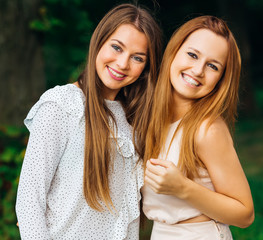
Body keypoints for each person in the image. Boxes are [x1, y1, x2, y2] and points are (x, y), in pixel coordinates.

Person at [15, 3, 162, 240]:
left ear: (146, 67)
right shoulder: (62, 105)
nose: (123, 63)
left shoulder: (135, 119)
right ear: (99, 42)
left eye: (137, 57)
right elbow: (30, 200)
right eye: (116, 47)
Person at [141, 16, 254, 239]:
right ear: (174, 51)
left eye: (213, 66)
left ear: (221, 79)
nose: (198, 70)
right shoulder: (149, 117)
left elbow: (245, 214)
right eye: (192, 55)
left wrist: (182, 187)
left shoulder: (207, 129)